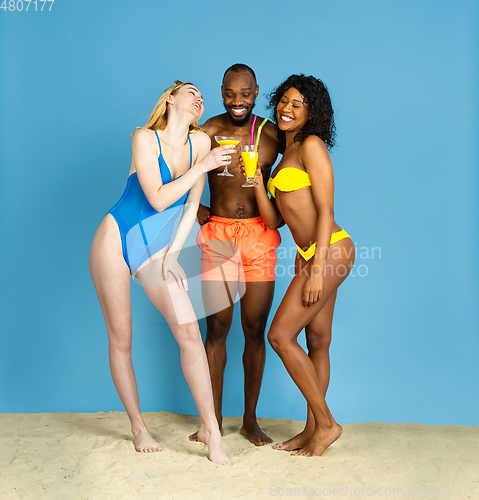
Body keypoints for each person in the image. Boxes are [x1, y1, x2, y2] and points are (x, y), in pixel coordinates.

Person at [89, 80, 234, 465]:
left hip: (156, 246)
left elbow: (190, 207)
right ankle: (138, 427)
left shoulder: (200, 143)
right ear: (170, 99)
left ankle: (211, 431)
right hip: (115, 236)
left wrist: (172, 256)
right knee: (121, 338)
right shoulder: (144, 138)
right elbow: (156, 198)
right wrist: (201, 168)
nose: (199, 97)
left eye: (202, 95)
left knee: (188, 329)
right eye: (191, 91)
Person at [249, 74, 355, 456]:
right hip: (307, 256)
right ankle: (312, 433)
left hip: (331, 252)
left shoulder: (311, 146)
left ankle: (326, 425)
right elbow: (277, 221)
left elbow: (326, 211)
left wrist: (316, 269)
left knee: (279, 335)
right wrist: (258, 180)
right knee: (317, 341)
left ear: (312, 113)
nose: (287, 108)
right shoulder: (283, 156)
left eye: (297, 104)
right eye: (283, 101)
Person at [190, 64, 280, 446]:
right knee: (217, 330)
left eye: (245, 94)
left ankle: (249, 420)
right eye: (230, 93)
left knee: (255, 330)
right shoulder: (208, 131)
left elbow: (292, 181)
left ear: (256, 92)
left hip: (259, 234)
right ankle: (212, 422)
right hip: (219, 237)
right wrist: (196, 211)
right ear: (222, 92)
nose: (237, 101)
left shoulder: (272, 134)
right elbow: (178, 176)